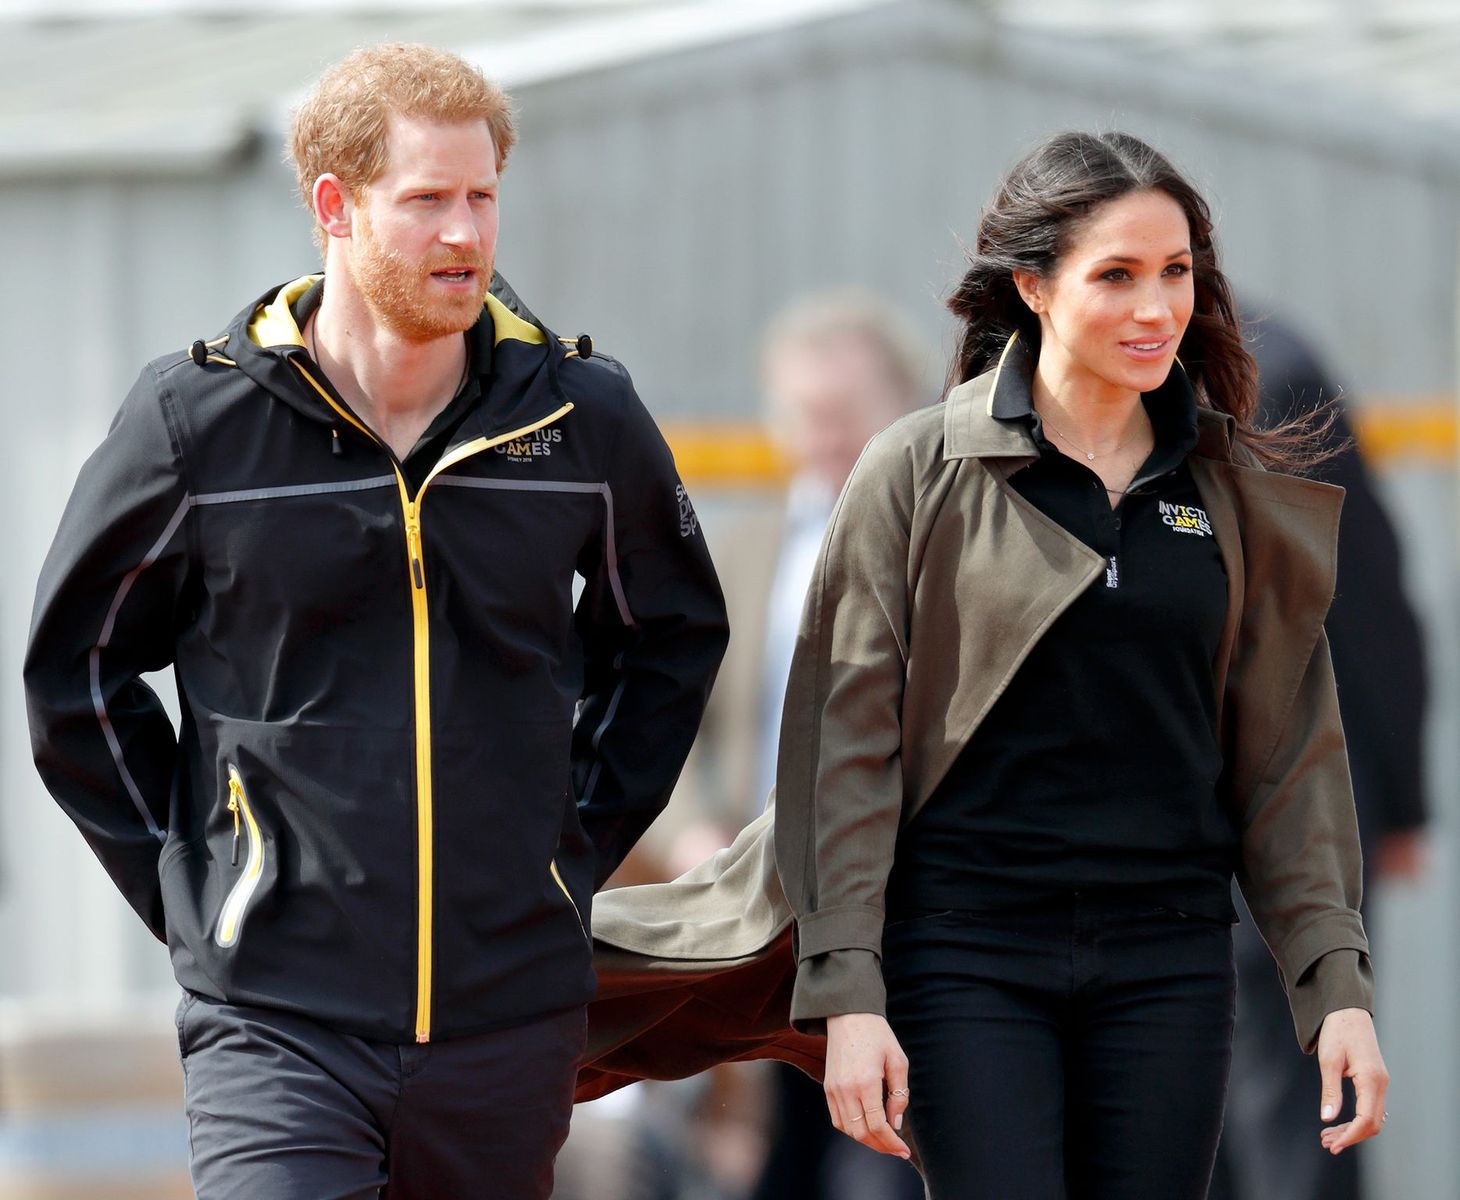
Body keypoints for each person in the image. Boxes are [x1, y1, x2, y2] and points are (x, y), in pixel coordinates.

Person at [575, 130, 1388, 1200]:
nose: (1155, 308)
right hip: (963, 955)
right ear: (1032, 287)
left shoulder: (1229, 492)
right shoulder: (916, 471)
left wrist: (1333, 985)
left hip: (1169, 961)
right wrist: (849, 992)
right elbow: (844, 750)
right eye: (1116, 275)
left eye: (1175, 273)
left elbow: (1288, 759)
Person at [23, 43, 726, 1200]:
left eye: (483, 197)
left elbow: (672, 637)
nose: (465, 234)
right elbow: (74, 674)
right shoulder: (194, 424)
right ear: (335, 207)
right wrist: (196, 881)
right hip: (275, 1016)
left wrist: (568, 849)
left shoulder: (581, 420)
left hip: (505, 1014)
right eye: (427, 201)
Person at [1210, 314, 1429, 1200]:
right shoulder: (1275, 368)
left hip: (1135, 819)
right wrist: (1405, 798)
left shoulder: (1045, 381)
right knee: (1306, 1106)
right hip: (1289, 808)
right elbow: (1369, 605)